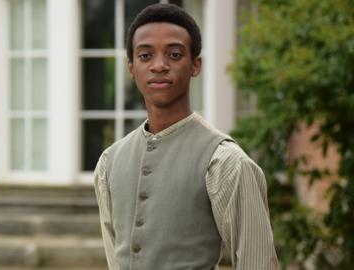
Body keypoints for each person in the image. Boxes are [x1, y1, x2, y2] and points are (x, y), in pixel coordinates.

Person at [93, 3, 278, 270]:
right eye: (145, 56)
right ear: (131, 67)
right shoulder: (109, 163)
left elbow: (258, 264)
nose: (159, 65)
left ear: (195, 65)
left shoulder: (224, 161)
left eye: (174, 54)